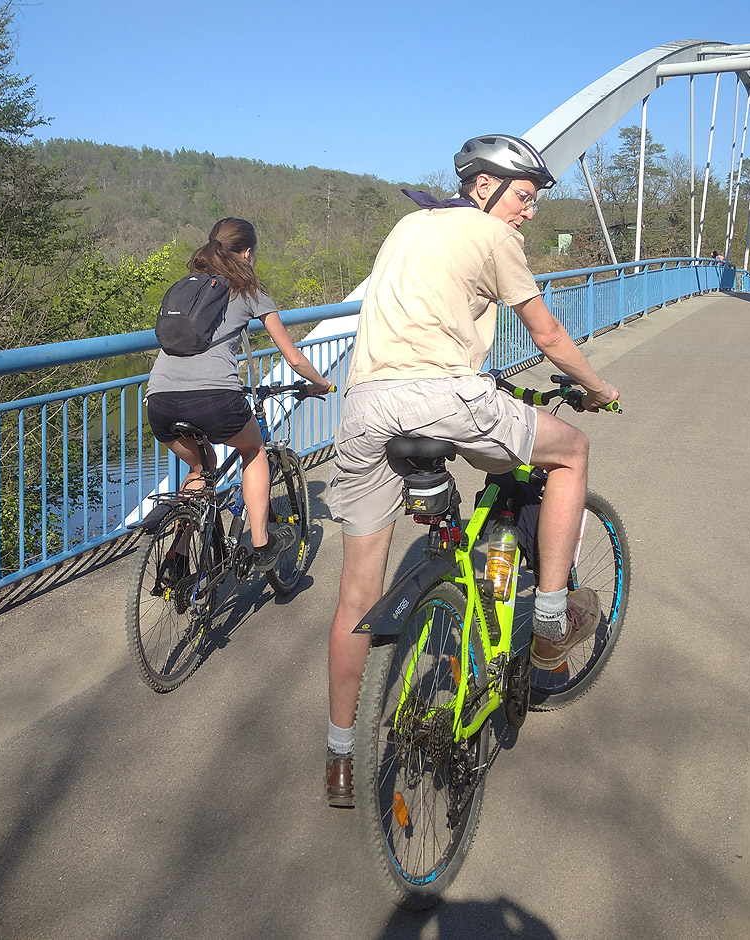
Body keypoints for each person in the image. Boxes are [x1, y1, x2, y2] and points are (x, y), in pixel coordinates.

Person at [323, 135, 620, 806]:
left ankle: (340, 756)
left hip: (365, 407)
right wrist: (597, 387)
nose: (530, 211)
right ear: (484, 186)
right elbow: (547, 334)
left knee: (356, 597)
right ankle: (551, 616)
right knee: (570, 449)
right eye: (525, 196)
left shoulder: (409, 226)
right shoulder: (492, 235)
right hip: (444, 398)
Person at [146, 217, 330, 571]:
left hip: (160, 399)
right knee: (254, 449)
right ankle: (261, 544)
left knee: (201, 467)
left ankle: (177, 557)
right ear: (247, 253)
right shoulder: (248, 290)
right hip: (214, 399)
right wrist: (320, 383)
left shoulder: (188, 287)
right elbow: (293, 357)